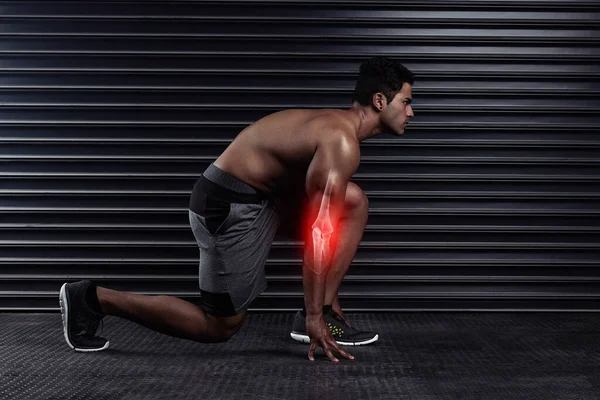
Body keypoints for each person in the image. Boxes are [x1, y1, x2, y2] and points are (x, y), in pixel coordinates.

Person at [59, 56, 415, 362]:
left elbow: (320, 217)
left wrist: (318, 308)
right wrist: (311, 316)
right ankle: (91, 299)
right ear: (380, 101)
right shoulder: (341, 141)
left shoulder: (337, 129)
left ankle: (325, 311)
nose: (411, 112)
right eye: (406, 102)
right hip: (226, 205)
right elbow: (319, 231)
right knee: (219, 326)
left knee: (352, 202)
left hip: (262, 199)